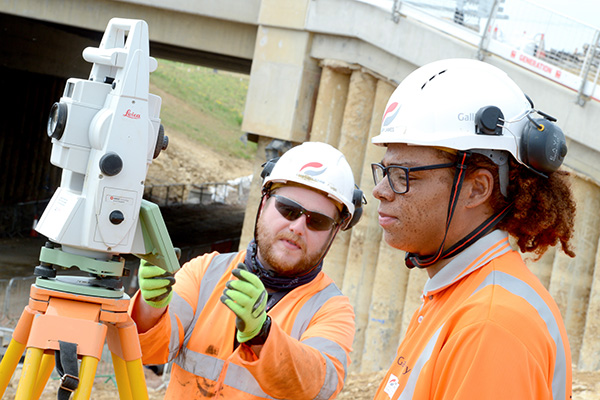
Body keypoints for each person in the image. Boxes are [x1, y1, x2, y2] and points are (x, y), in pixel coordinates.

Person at [369, 59, 575, 399]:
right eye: (385, 170)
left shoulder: (491, 324)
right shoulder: (459, 293)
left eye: (404, 176)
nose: (381, 190)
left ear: (477, 189)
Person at [130, 141, 364, 399]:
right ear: (264, 203)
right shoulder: (205, 272)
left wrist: (262, 334)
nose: (298, 227)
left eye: (317, 221)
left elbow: (318, 386)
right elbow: (145, 351)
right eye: (288, 209)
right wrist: (150, 307)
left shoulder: (331, 309)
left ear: (334, 231)